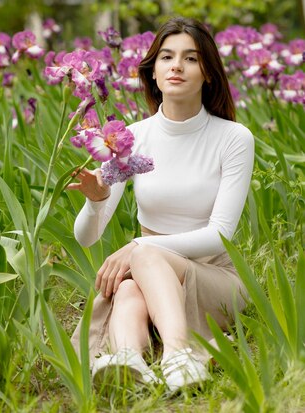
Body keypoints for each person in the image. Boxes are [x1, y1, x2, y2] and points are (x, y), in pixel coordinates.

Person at [66, 16, 254, 392]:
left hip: (213, 278)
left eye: (191, 58)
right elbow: (86, 238)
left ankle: (178, 353)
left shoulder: (234, 138)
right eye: (167, 57)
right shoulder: (131, 137)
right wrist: (96, 203)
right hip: (145, 276)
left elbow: (220, 236)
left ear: (209, 73)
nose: (177, 67)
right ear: (153, 72)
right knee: (130, 287)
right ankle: (129, 361)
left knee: (143, 260)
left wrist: (141, 246)